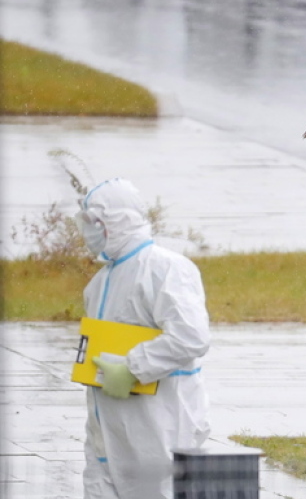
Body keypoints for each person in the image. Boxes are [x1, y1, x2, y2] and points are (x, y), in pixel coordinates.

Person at [74, 177, 211, 499]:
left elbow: (191, 338)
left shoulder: (166, 268)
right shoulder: (99, 281)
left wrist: (132, 367)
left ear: (116, 220)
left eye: (94, 222)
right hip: (105, 428)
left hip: (158, 424)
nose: (88, 232)